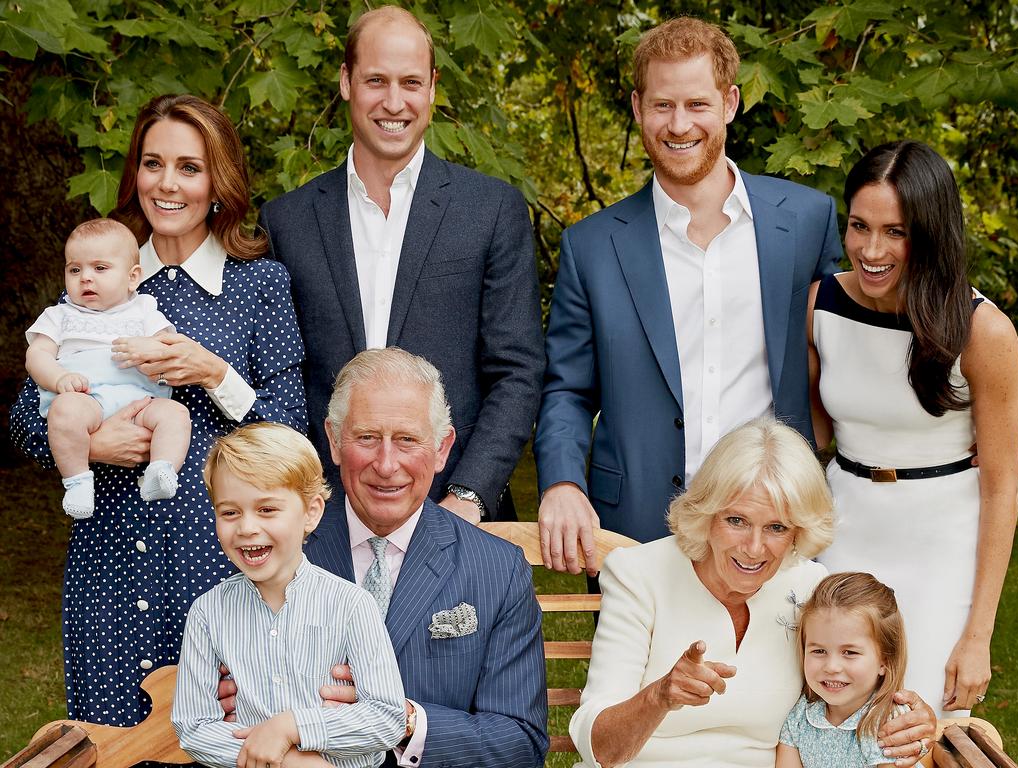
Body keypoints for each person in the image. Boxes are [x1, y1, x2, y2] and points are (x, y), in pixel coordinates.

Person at [10, 93, 307, 726]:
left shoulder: (258, 284)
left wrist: (216, 374)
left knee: (228, 740)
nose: (167, 184)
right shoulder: (98, 274)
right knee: (111, 742)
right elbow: (21, 417)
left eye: (190, 167)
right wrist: (90, 447)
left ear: (218, 182)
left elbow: (291, 426)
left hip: (218, 562)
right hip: (108, 563)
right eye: (152, 163)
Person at [534, 16, 843, 571]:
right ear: (636, 107)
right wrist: (560, 482)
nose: (679, 125)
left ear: (729, 103)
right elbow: (568, 391)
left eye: (697, 104)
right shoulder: (592, 246)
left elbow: (842, 355)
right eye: (662, 105)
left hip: (775, 525)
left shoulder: (805, 221)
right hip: (634, 527)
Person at [257, 6, 544, 526]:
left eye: (411, 82)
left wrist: (469, 496)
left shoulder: (491, 210)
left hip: (456, 511)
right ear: (346, 82)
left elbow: (517, 371)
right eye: (375, 80)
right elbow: (282, 377)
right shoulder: (286, 221)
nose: (394, 102)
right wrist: (304, 495)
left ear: (432, 87)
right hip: (324, 519)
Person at [221, 348, 548, 767]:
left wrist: (403, 720)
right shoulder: (271, 553)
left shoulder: (498, 571)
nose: (386, 464)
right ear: (335, 441)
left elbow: (520, 743)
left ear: (443, 447)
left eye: (408, 440)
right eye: (367, 438)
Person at [568, 419, 935, 768]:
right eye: (736, 520)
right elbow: (601, 748)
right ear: (707, 512)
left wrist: (911, 717)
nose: (754, 549)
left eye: (776, 527)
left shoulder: (807, 586)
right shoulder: (638, 574)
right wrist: (659, 696)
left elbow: (855, 686)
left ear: (798, 531)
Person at [809, 140, 1018, 715]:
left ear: (929, 233)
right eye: (858, 226)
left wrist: (977, 636)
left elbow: (1002, 488)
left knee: (916, 725)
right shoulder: (821, 306)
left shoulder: (983, 332)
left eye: (895, 232)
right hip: (843, 533)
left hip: (941, 545)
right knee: (829, 720)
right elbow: (812, 438)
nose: (871, 250)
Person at [173, 423, 405, 768]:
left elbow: (387, 718)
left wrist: (293, 727)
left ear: (310, 512)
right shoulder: (208, 612)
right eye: (230, 512)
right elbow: (194, 728)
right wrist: (290, 761)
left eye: (267, 509)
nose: (247, 527)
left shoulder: (350, 604)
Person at [25, 218, 191, 519]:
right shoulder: (59, 315)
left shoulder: (145, 310)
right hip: (84, 398)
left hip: (141, 401)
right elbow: (36, 356)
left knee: (176, 414)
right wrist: (59, 377)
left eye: (99, 268)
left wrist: (152, 348)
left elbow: (169, 347)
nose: (85, 278)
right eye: (75, 269)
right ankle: (77, 481)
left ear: (132, 278)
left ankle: (162, 469)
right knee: (65, 413)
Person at [776, 572, 911, 768]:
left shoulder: (887, 723)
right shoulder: (800, 717)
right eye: (819, 651)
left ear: (884, 660)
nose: (831, 667)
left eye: (849, 652)